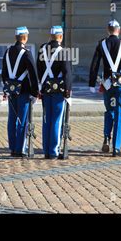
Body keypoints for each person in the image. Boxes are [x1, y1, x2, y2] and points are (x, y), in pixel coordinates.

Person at [89, 20, 121, 157]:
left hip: (107, 84)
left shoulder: (101, 44)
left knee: (109, 111)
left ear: (107, 30)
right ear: (118, 30)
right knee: (120, 115)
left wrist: (92, 83)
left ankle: (106, 137)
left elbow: (94, 64)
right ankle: (116, 147)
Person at [2, 26, 39, 157]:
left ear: (15, 37)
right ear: (25, 37)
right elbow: (33, 75)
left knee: (12, 120)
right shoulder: (27, 53)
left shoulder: (7, 52)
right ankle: (20, 149)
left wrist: (5, 90)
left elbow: (4, 72)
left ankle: (12, 147)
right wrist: (35, 93)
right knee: (22, 120)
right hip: (23, 91)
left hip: (11, 91)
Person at [37, 26, 72, 159]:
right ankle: (53, 151)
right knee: (56, 120)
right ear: (61, 36)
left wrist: (40, 87)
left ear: (50, 36)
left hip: (46, 89)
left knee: (47, 120)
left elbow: (39, 70)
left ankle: (46, 149)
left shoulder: (42, 50)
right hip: (58, 91)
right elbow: (67, 74)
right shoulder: (64, 51)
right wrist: (67, 91)